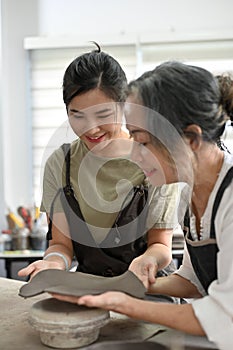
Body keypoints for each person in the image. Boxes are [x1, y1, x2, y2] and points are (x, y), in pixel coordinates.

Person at [51, 63, 233, 350]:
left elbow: (226, 318)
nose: (134, 156)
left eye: (143, 142)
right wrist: (125, 284)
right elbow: (193, 282)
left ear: (191, 139)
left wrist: (124, 303)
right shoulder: (190, 193)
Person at [18, 45, 180, 290]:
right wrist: (53, 263)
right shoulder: (60, 163)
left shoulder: (155, 159)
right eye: (77, 115)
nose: (90, 129)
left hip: (150, 288)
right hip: (89, 288)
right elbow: (61, 245)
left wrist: (146, 261)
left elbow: (160, 245)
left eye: (103, 114)